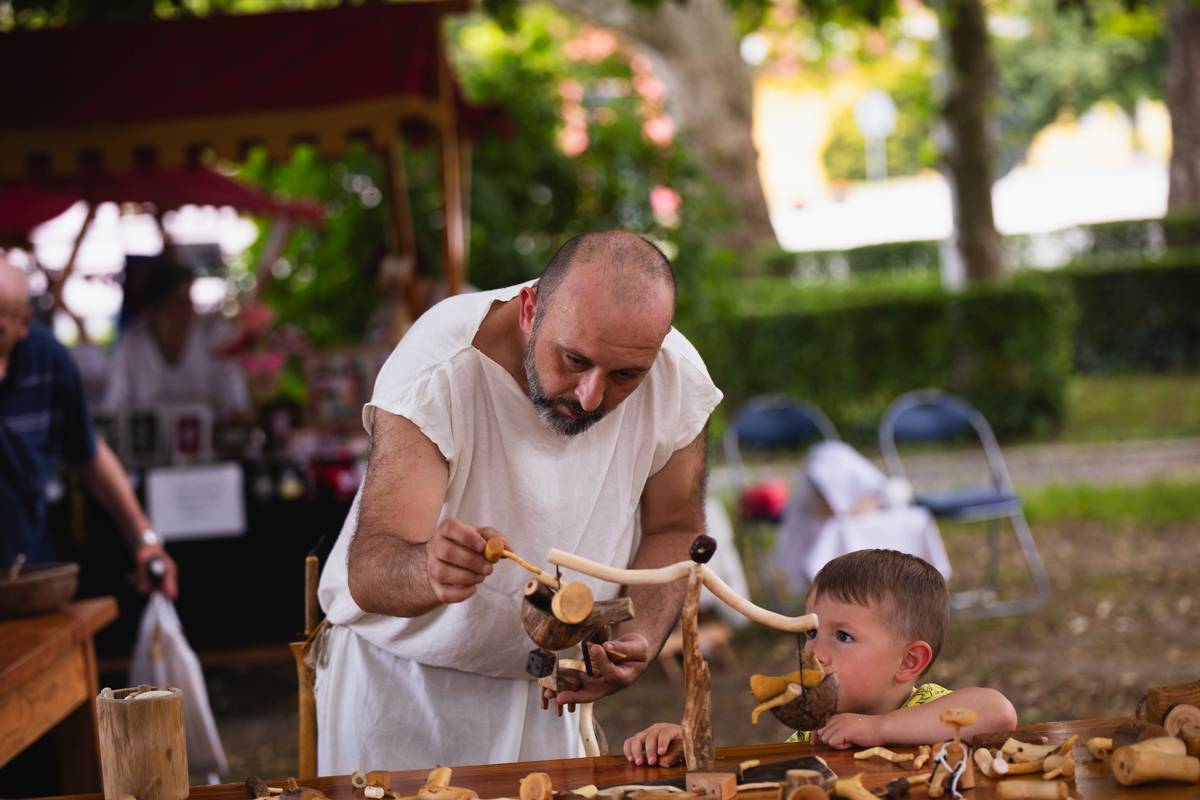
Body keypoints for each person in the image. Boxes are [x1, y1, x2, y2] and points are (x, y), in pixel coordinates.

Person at [316, 230, 723, 771]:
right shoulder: (441, 365)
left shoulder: (675, 376)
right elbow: (370, 569)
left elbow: (674, 527)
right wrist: (428, 569)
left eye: (625, 375)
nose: (590, 396)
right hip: (401, 695)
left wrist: (638, 637)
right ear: (530, 310)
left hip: (545, 696)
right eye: (575, 359)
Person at [623, 549, 1017, 764]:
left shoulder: (928, 708)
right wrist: (684, 747)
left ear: (908, 662)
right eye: (811, 631)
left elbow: (997, 710)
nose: (815, 652)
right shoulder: (812, 733)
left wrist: (878, 730)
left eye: (843, 636)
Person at [0, 257, 178, 598]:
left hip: (25, 571)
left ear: (23, 322)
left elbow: (89, 453)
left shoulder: (48, 360)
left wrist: (145, 540)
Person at [100, 259, 251, 418]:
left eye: (189, 299)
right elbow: (115, 407)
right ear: (156, 308)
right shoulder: (132, 344)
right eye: (178, 301)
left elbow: (237, 406)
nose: (188, 309)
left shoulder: (215, 336)